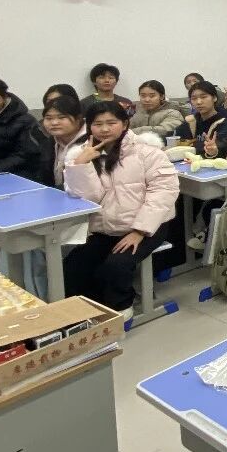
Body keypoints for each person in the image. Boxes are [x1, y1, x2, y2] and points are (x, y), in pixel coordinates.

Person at [63, 103, 179, 314]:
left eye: (111, 123)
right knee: (74, 266)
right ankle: (90, 311)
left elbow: (163, 193)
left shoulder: (147, 152)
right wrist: (80, 166)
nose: (104, 129)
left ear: (125, 124)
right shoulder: (81, 155)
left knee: (116, 266)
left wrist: (139, 231)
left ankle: (122, 308)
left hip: (148, 226)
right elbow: (89, 199)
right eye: (98, 124)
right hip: (105, 227)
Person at [33, 95, 83, 187]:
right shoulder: (51, 142)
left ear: (78, 119)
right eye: (49, 118)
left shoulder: (89, 144)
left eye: (62, 117)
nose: (54, 123)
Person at [182, 81, 227, 155]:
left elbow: (224, 146)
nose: (198, 102)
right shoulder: (191, 120)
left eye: (203, 97)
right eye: (194, 98)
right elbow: (177, 140)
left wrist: (193, 145)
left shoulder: (225, 121)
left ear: (214, 98)